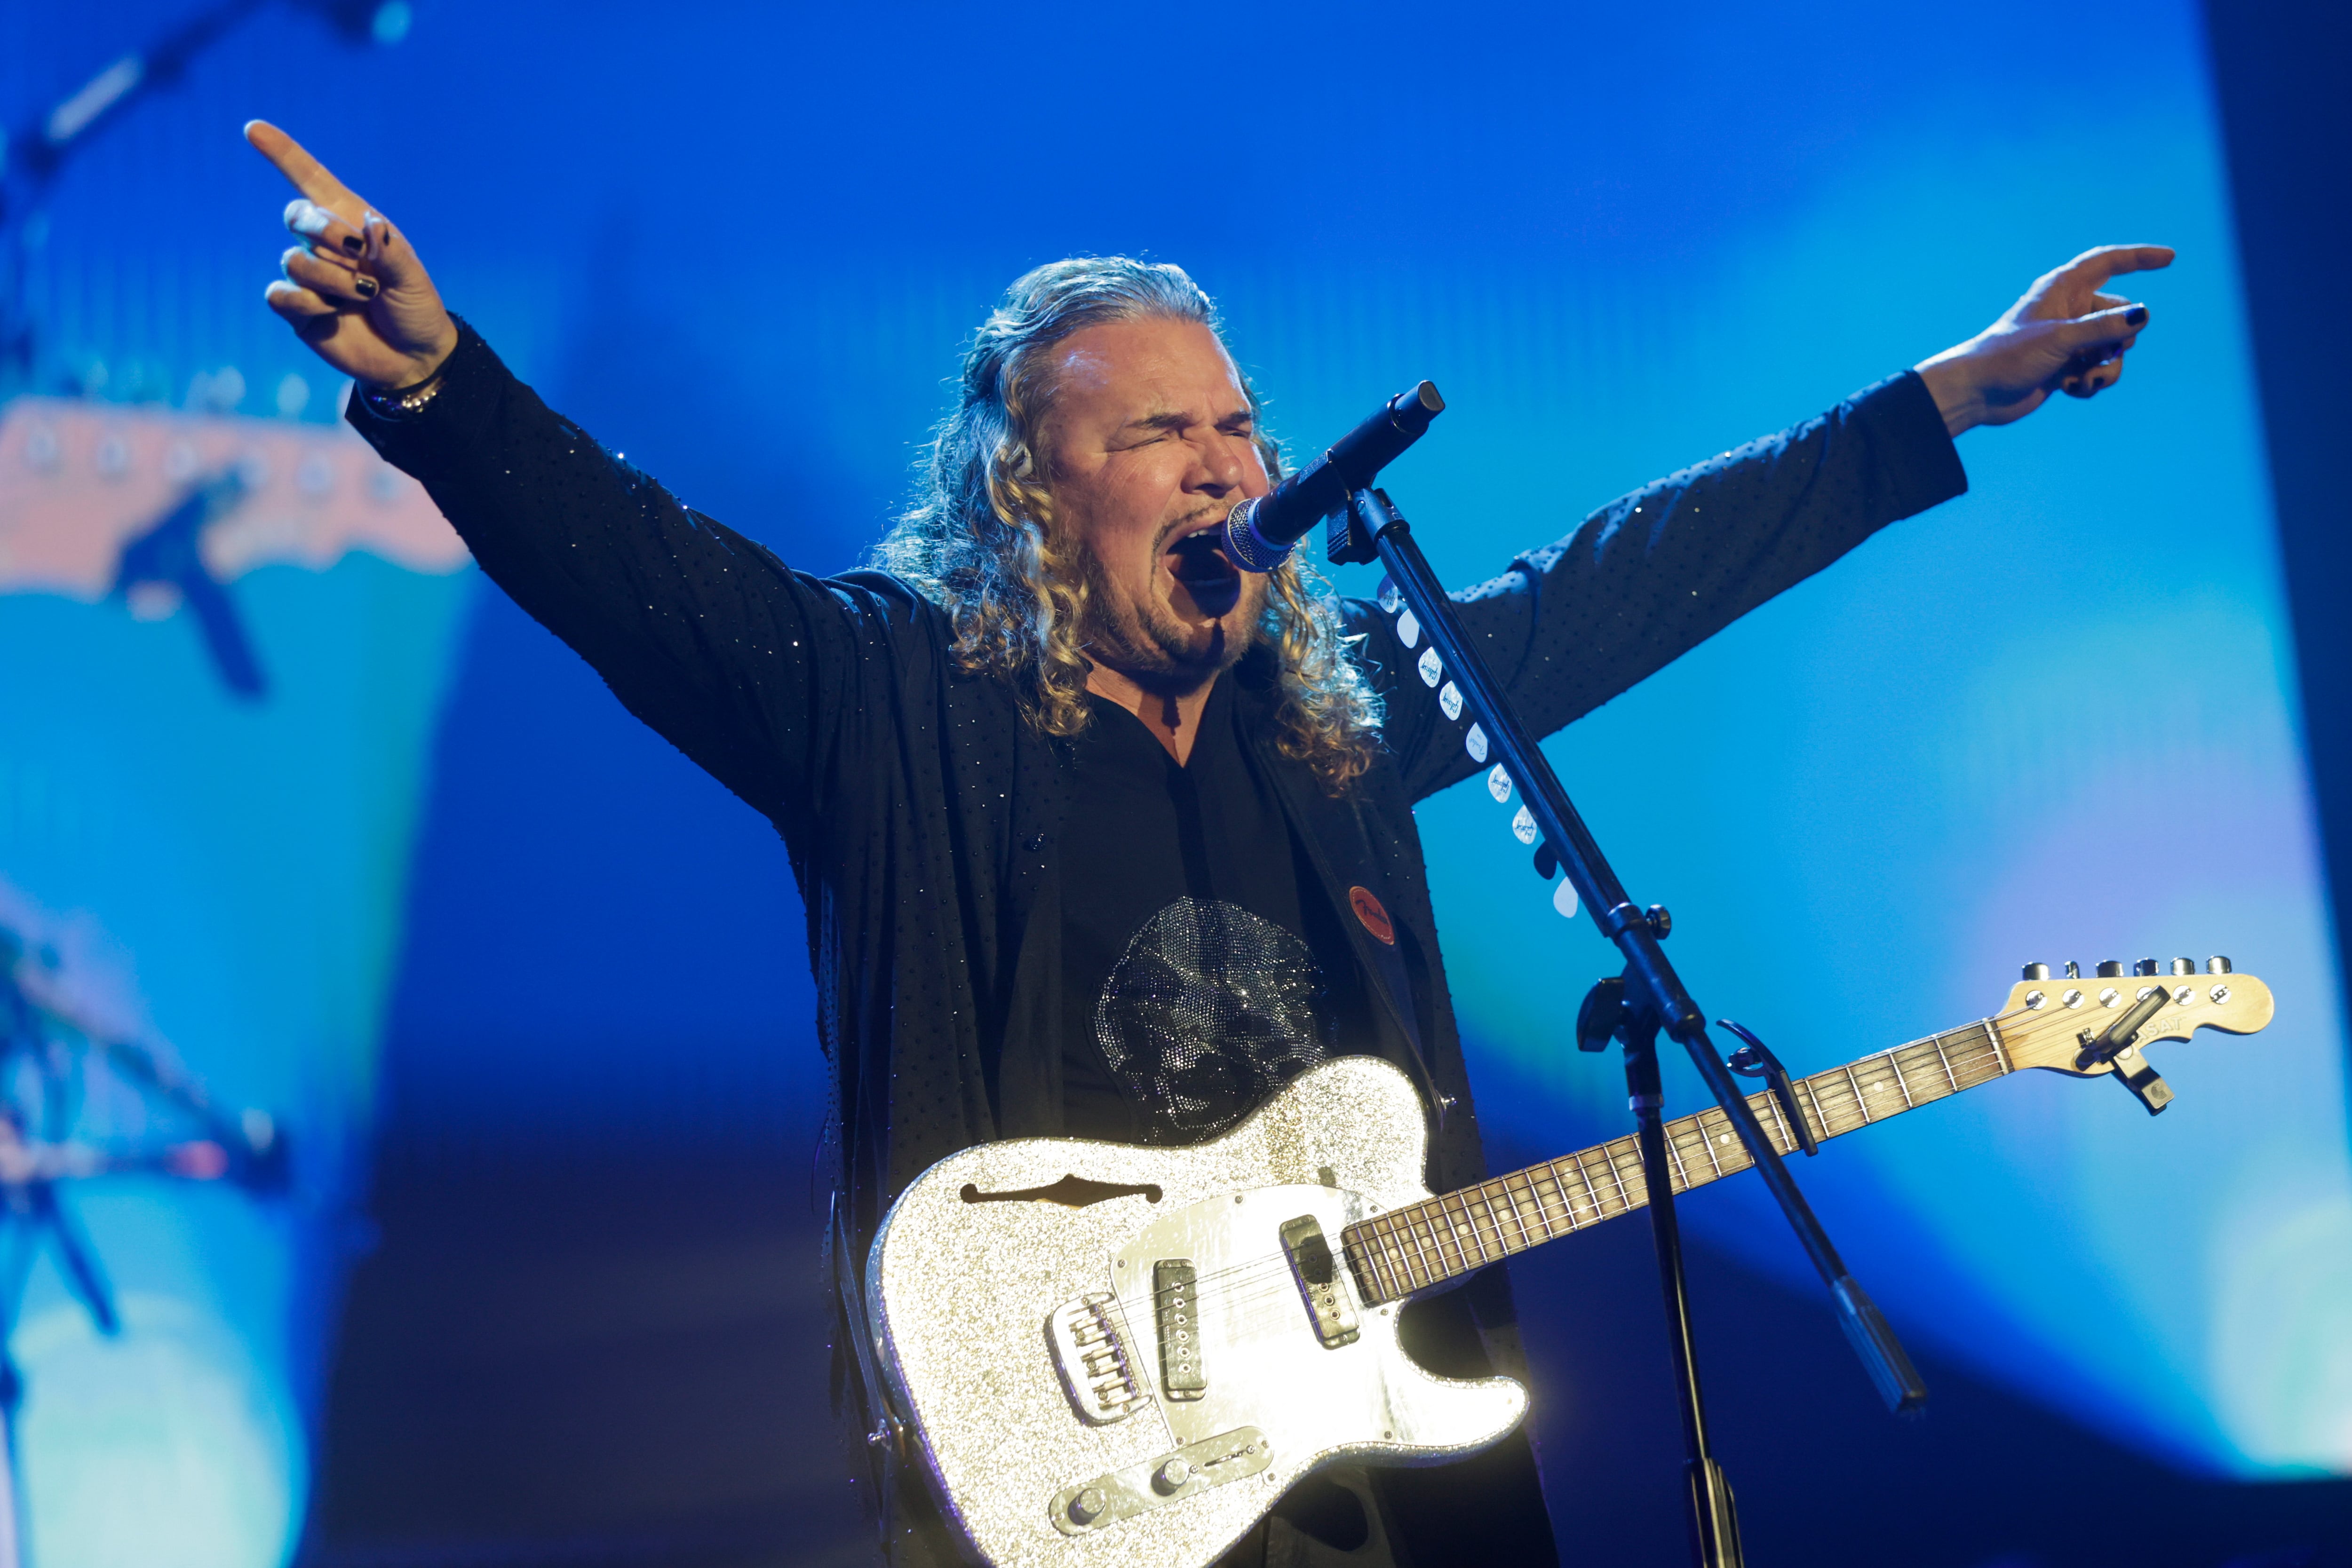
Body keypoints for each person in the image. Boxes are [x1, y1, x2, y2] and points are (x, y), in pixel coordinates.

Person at [242, 119, 2170, 1567]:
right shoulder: (888, 702)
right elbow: (635, 571)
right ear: (1028, 498)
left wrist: (1933, 403)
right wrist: (441, 390)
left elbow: (1618, 580)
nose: (1230, 467)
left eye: (1239, 427)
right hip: (1067, 1477)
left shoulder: (1328, 726)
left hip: (1386, 1479)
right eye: (1161, 433)